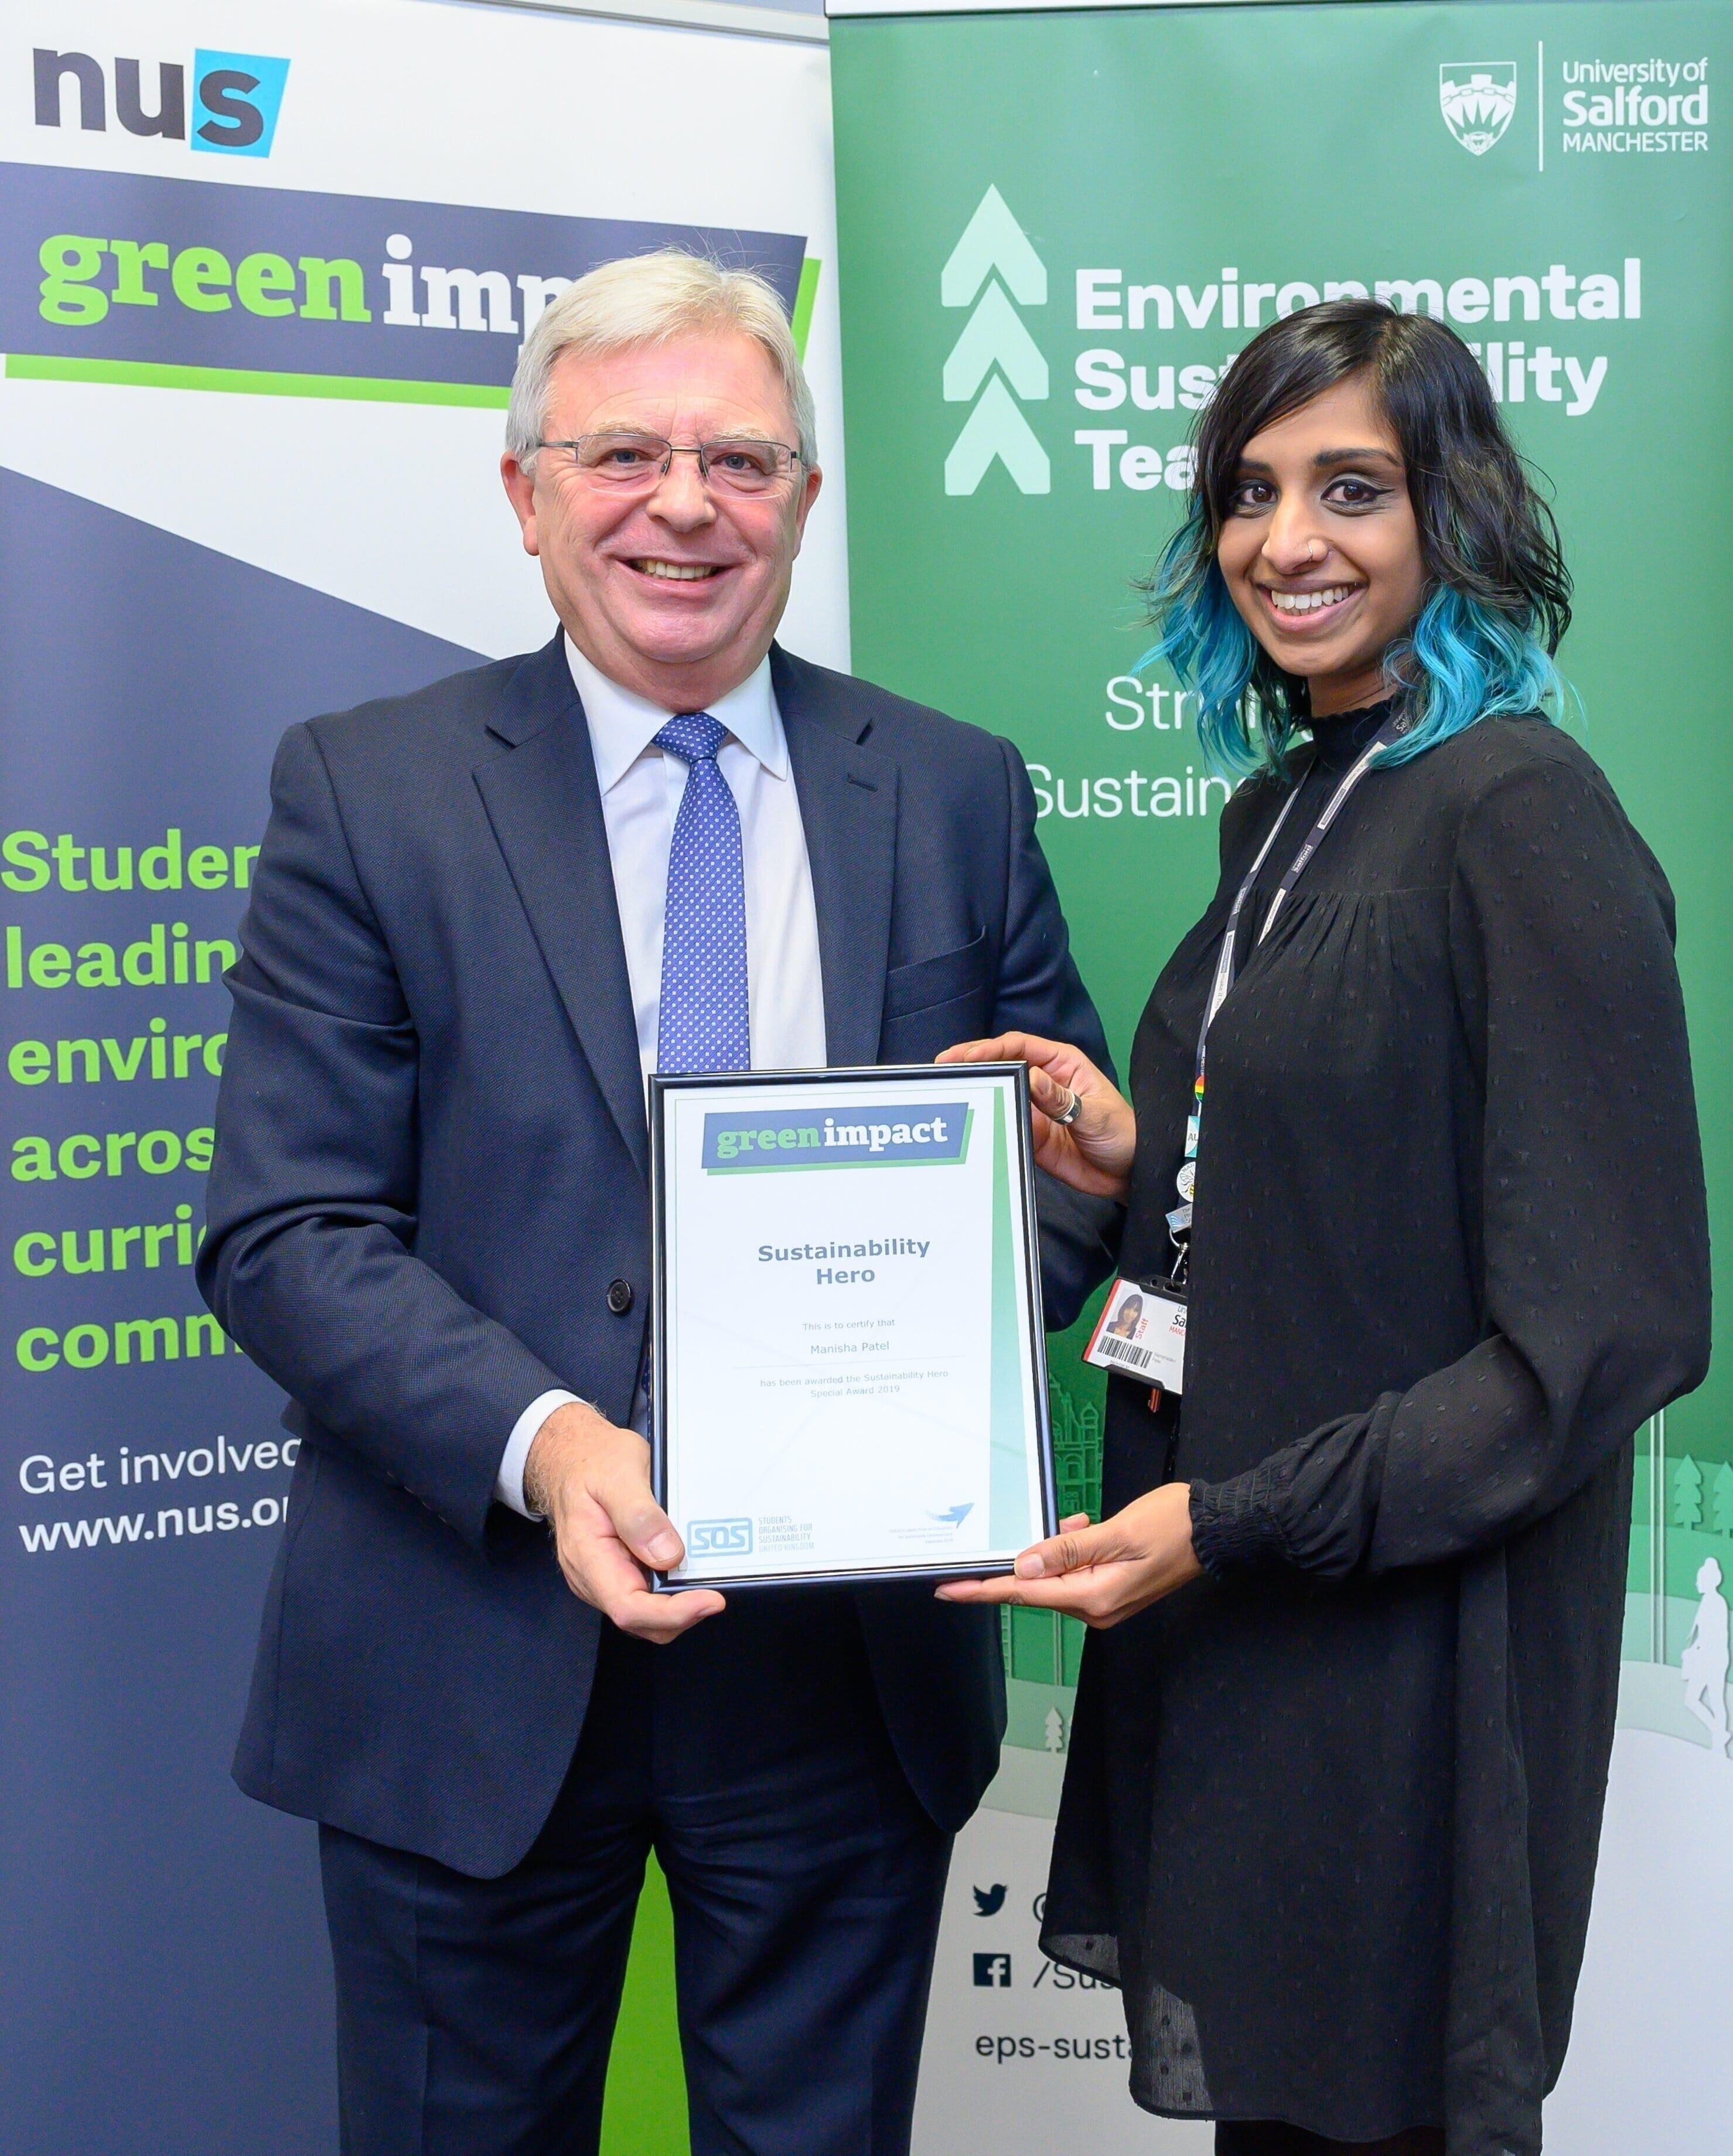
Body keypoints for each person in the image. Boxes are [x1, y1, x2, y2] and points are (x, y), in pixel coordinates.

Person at [197, 250, 1117, 2156]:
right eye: (624, 452)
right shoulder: (369, 793)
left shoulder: (950, 792)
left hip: (835, 1683)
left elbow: (1042, 1192)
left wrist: (1069, 1205)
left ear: (801, 499)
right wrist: (550, 1447)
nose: (685, 504)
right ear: (527, 492)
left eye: (742, 459)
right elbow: (288, 1233)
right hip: (466, 1652)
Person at [937, 298, 1711, 2156]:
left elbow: (1602, 1330)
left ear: (1452, 511)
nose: (1291, 540)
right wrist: (1149, 1162)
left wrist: (1233, 1515)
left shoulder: (1523, 810)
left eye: (1351, 486)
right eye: (1252, 491)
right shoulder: (1289, 804)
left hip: (1408, 1656)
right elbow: (1341, 1183)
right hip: (1240, 1626)